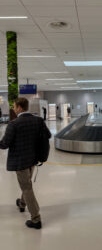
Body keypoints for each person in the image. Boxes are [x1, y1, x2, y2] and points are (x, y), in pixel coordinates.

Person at [0, 98, 51, 229]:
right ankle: (22, 204)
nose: (14, 109)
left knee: (26, 187)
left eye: (15, 107)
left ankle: (36, 219)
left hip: (20, 161)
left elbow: (4, 144)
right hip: (33, 159)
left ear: (20, 108)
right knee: (26, 183)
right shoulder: (38, 120)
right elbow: (48, 135)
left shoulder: (14, 124)